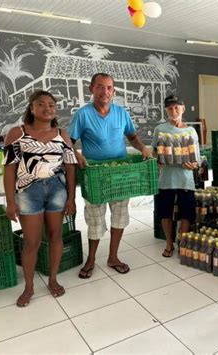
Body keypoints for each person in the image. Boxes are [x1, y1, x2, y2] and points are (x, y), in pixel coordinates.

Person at [68, 73, 150, 278]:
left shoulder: (121, 113)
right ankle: (91, 259)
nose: (105, 91)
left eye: (109, 87)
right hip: (95, 175)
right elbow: (68, 141)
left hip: (120, 173)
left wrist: (142, 148)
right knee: (95, 220)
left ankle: (113, 256)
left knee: (120, 216)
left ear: (113, 91)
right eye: (100, 87)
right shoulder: (83, 115)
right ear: (91, 89)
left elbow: (131, 136)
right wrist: (76, 153)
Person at [3, 90, 77, 307]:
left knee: (55, 236)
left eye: (51, 105)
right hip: (28, 192)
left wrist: (71, 198)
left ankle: (53, 279)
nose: (47, 108)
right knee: (31, 242)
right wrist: (10, 201)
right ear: (32, 107)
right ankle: (29, 287)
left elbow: (70, 168)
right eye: (41, 104)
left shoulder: (62, 134)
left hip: (57, 190)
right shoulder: (17, 133)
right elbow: (9, 169)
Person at [152, 95, 199, 257]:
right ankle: (169, 243)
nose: (173, 111)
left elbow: (196, 158)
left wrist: (193, 164)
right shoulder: (160, 129)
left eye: (176, 107)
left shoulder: (191, 131)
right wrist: (158, 160)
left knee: (187, 212)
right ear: (166, 110)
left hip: (186, 180)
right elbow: (154, 152)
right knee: (165, 212)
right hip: (166, 179)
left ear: (183, 108)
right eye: (170, 108)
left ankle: (182, 242)